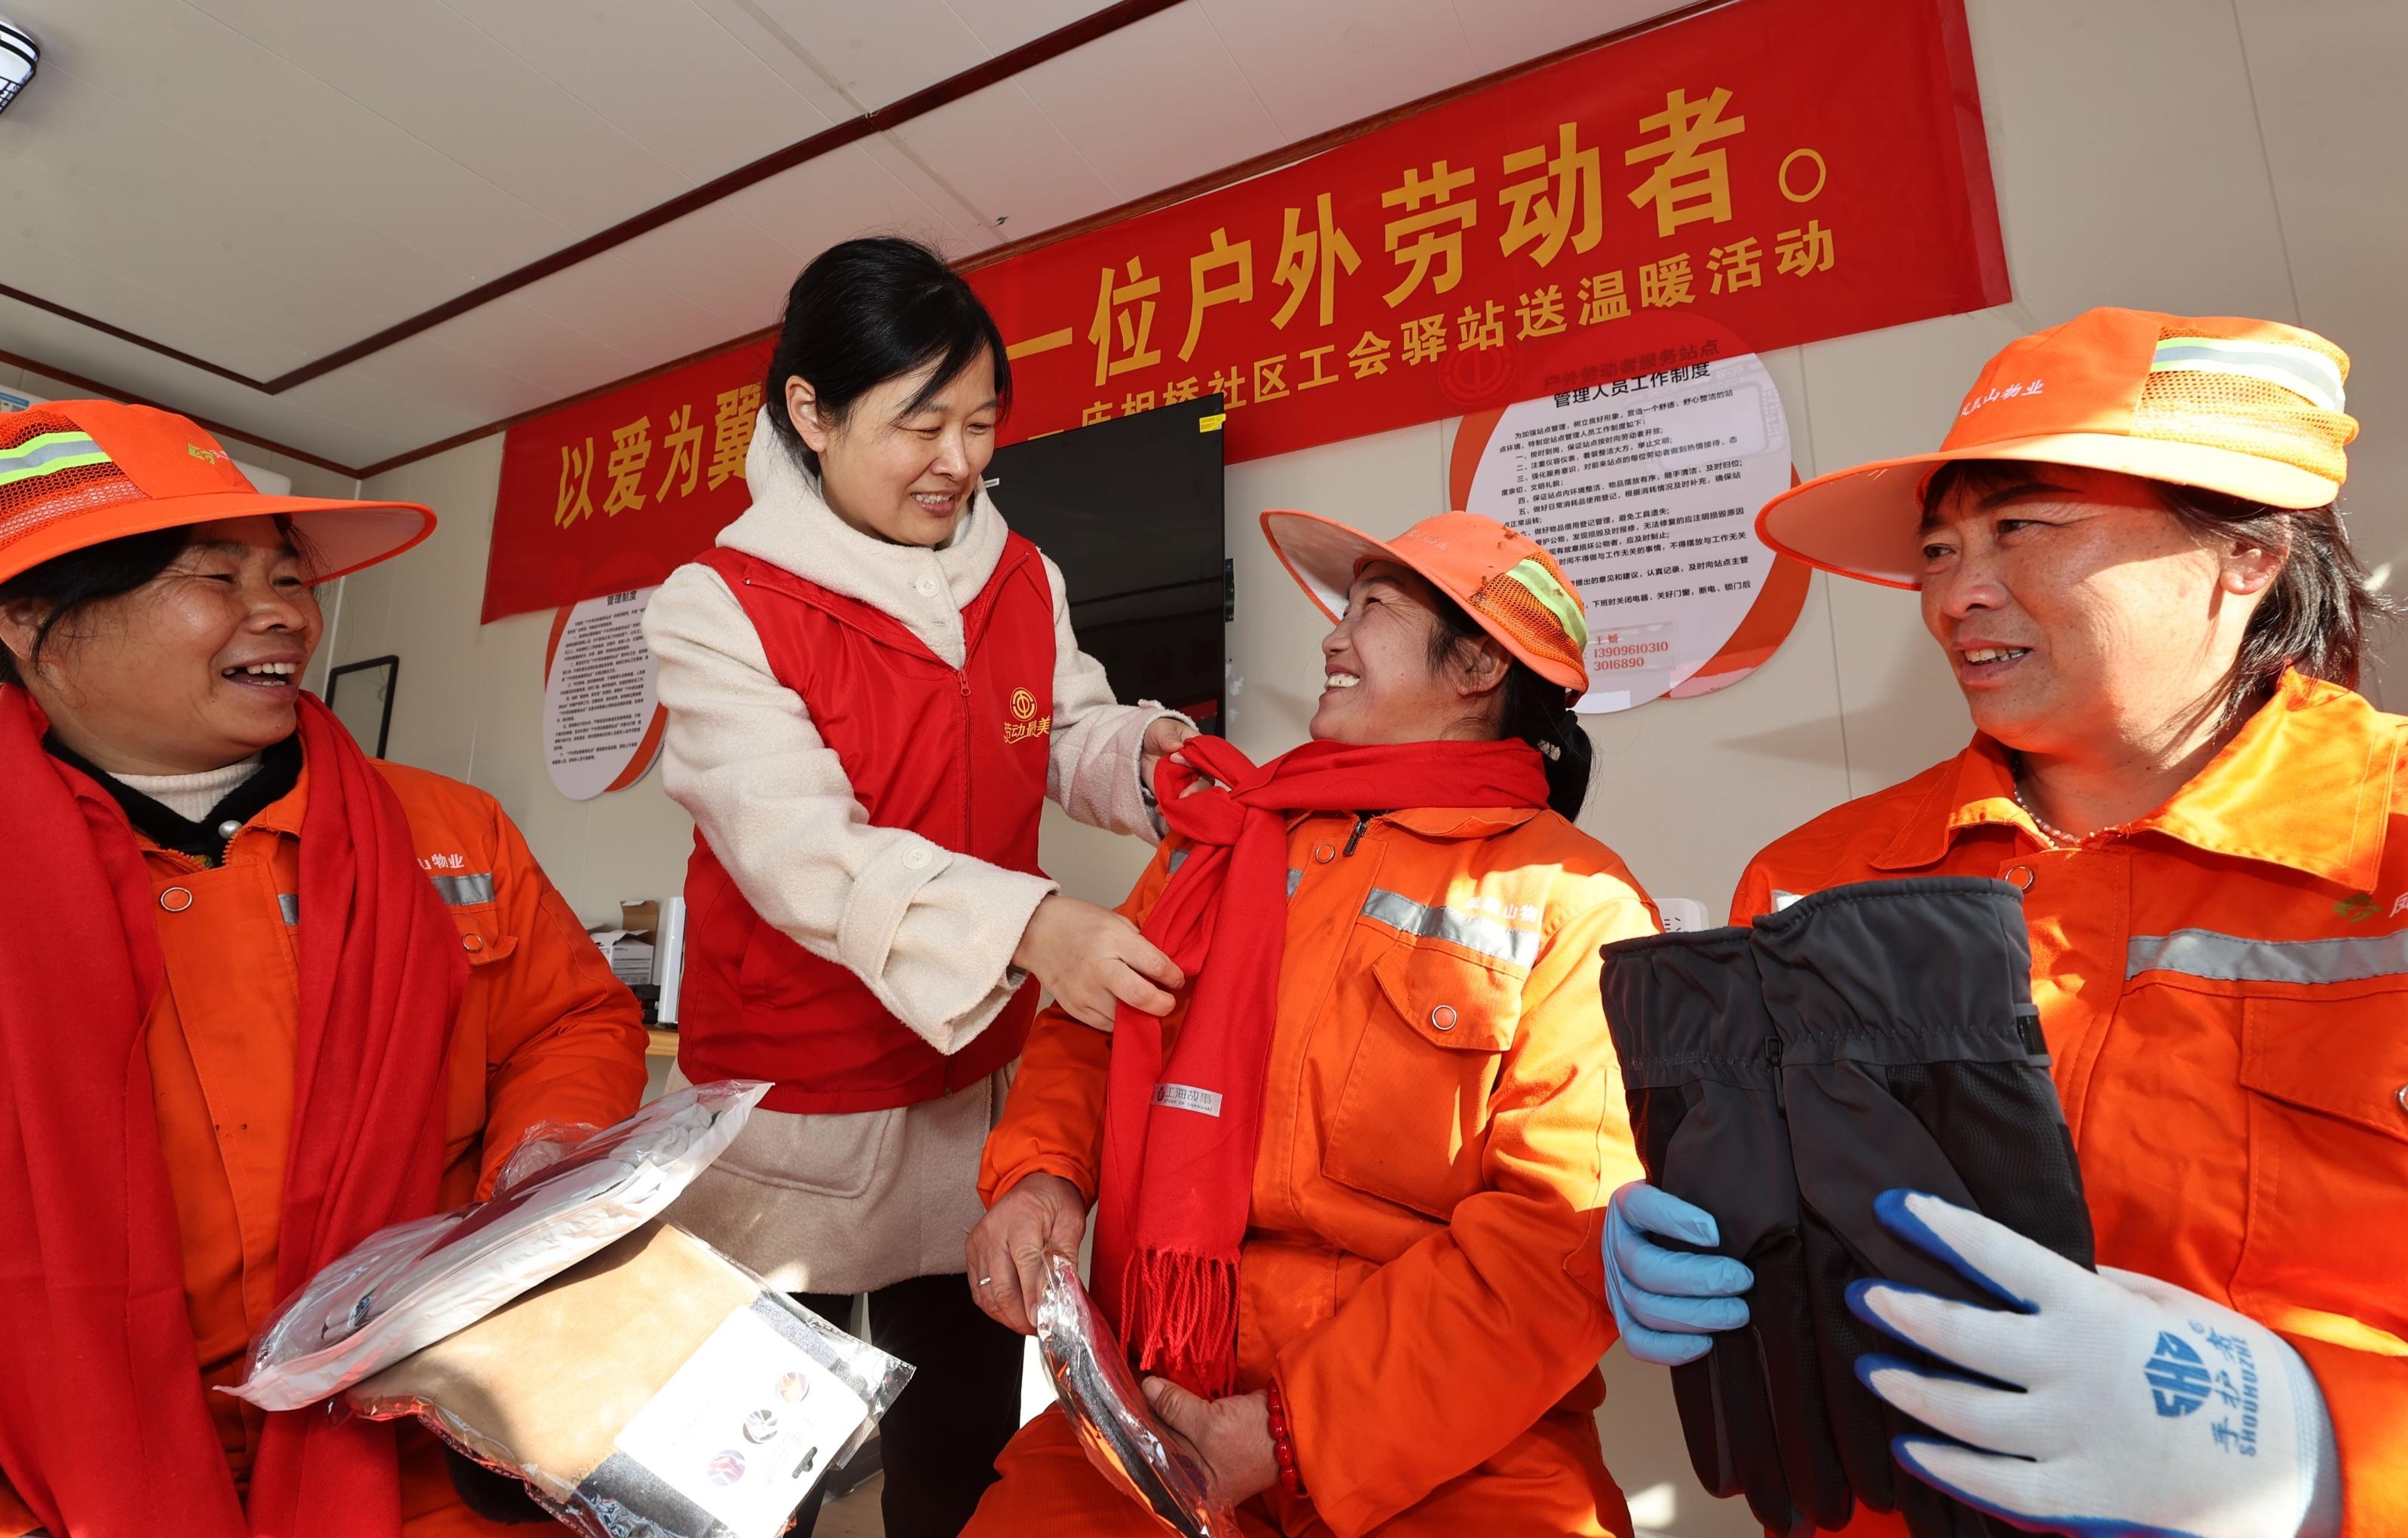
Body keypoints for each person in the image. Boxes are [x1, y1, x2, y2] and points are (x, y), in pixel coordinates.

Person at [1601, 308, 2406, 1537]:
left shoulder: (2386, 840)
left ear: (2247, 555)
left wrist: (2318, 1446)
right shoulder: (1817, 879)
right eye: (1938, 549)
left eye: (2023, 528)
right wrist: (1650, 1237)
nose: (1957, 596)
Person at [0, 401, 650, 1538]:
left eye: (290, 577)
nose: (284, 614)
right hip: (61, 1473)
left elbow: (571, 1024)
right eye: (217, 575)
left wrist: (546, 1152)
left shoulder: (448, 832)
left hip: (417, 1447)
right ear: (28, 620)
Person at [641, 235, 1197, 1538]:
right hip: (795, 1111)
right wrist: (1035, 926)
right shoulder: (718, 603)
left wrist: (1155, 762)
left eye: (982, 423)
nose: (959, 460)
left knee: (957, 1461)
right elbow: (804, 849)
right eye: (920, 423)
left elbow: (1065, 729)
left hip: (967, 1097)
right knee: (744, 1480)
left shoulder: (1021, 574)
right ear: (811, 412)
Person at [962, 509, 1660, 1538]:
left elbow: (1555, 1240)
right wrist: (1040, 1176)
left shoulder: (1578, 901)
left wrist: (1288, 1433)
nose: (1333, 638)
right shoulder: (1220, 839)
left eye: (1371, 609)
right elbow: (1095, 1016)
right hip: (1160, 1392)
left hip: (1442, 1440)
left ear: (1477, 666)